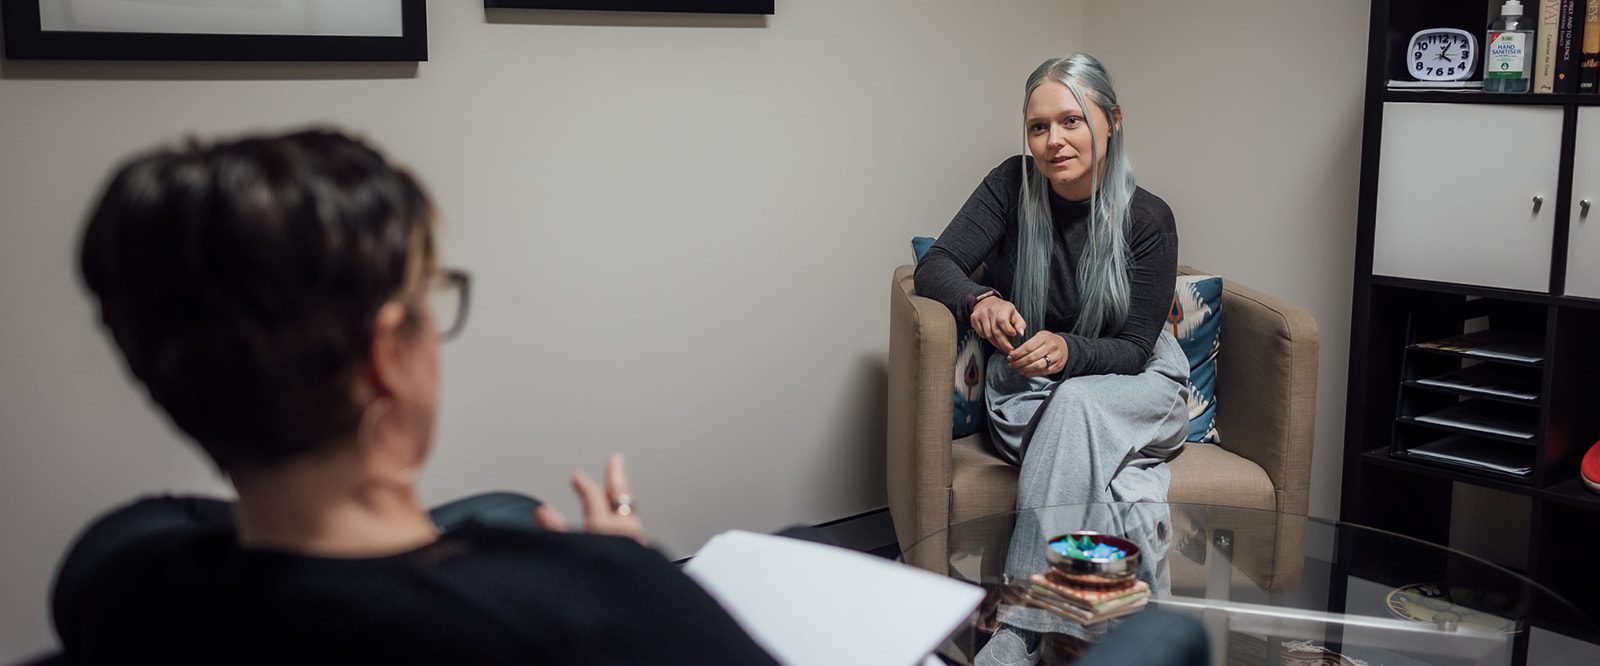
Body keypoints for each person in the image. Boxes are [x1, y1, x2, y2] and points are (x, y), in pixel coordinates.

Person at [59, 129, 777, 664]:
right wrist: (621, 559)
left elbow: (190, 520)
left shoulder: (116, 576)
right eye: (429, 294)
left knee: (504, 506)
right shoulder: (610, 607)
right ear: (385, 357)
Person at [913, 54, 1189, 664]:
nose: (1053, 140)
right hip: (1030, 388)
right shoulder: (1010, 186)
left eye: (1071, 120)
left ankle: (1019, 626)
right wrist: (979, 299)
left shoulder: (1149, 218)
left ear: (1112, 121)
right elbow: (937, 265)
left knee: (1081, 403)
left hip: (1135, 381)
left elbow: (1135, 348)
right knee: (1121, 481)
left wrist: (1070, 350)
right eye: (1038, 127)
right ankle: (1109, 640)